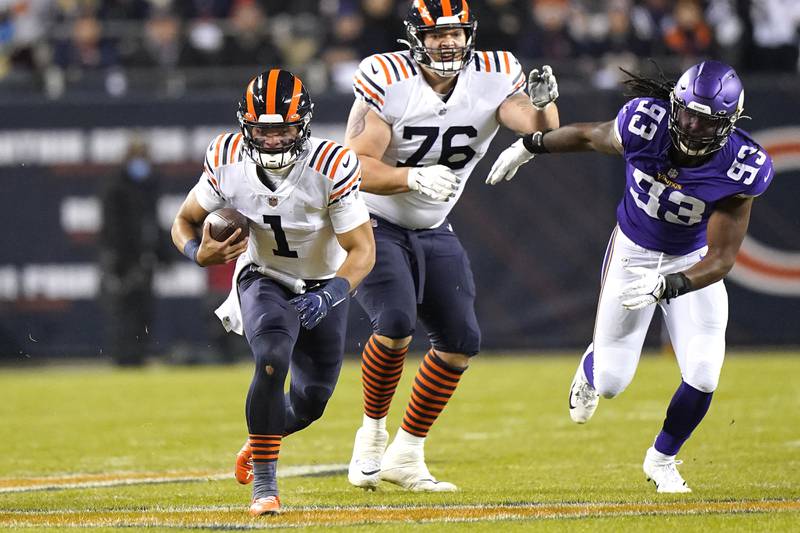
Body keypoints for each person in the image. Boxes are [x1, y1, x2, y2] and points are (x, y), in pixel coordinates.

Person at [487, 60, 773, 493]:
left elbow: (721, 258)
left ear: (729, 123)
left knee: (703, 374)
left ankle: (662, 460)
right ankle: (591, 366)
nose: (693, 125)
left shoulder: (741, 166)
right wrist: (532, 144)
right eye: (688, 112)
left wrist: (671, 285)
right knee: (612, 382)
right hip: (634, 253)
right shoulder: (646, 124)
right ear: (675, 104)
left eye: (706, 119)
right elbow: (587, 135)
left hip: (690, 262)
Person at [344, 0, 560, 492]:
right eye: (437, 33)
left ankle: (408, 452)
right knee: (395, 321)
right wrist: (410, 178)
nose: (449, 42)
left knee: (462, 341)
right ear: (416, 36)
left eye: (457, 33)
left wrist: (546, 104)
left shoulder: (496, 71)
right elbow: (354, 166)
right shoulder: (386, 76)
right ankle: (373, 435)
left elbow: (537, 128)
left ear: (470, 34)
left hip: (434, 224)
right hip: (371, 219)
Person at [171, 68, 375, 516]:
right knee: (271, 356)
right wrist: (197, 253)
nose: (273, 141)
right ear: (247, 127)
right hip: (264, 276)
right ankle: (265, 485)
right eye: (263, 131)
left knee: (312, 401)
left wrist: (332, 294)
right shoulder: (225, 157)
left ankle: (261, 437)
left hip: (324, 283)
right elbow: (183, 221)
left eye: (283, 130)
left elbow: (363, 251)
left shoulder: (330, 164)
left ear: (301, 126)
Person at [99, 136, 162, 366]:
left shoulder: (149, 185)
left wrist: (162, 254)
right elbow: (112, 227)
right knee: (122, 309)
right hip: (122, 260)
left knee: (143, 310)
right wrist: (117, 259)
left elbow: (154, 222)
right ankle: (122, 356)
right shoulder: (115, 186)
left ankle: (139, 355)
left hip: (144, 259)